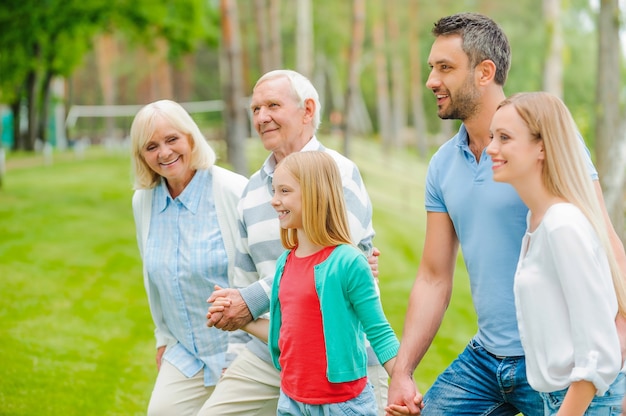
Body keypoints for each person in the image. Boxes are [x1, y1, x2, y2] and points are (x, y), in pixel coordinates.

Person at [386, 12, 626, 416]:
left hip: (557, 362)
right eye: (432, 68)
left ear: (485, 72)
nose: (431, 81)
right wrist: (403, 372)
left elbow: (603, 240)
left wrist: (618, 343)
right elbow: (432, 276)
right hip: (486, 357)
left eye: (445, 68)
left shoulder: (544, 147)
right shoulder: (443, 166)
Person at [198, 69, 389, 415]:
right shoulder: (252, 191)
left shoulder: (338, 172)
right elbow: (243, 279)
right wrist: (232, 355)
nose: (261, 117)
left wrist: (250, 300)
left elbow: (329, 260)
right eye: (255, 109)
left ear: (308, 110)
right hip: (269, 346)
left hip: (340, 354)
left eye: (272, 105)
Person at [218, 151, 403, 415]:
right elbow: (285, 336)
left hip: (343, 406)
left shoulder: (348, 262)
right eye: (274, 191)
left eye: (284, 191)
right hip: (292, 401)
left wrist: (403, 383)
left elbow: (380, 332)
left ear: (315, 194)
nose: (274, 201)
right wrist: (236, 317)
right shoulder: (285, 264)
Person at [486, 91, 626, 414]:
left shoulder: (562, 225)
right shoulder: (538, 220)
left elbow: (597, 353)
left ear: (542, 147)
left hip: (586, 404)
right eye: (493, 136)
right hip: (561, 400)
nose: (491, 147)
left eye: (505, 138)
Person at [130, 99, 248, 416]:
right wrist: (163, 338)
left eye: (172, 140)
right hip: (186, 350)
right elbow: (153, 279)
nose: (164, 153)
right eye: (151, 146)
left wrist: (242, 354)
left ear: (190, 138)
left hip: (245, 348)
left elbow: (267, 273)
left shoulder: (233, 190)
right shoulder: (143, 202)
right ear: (142, 155)